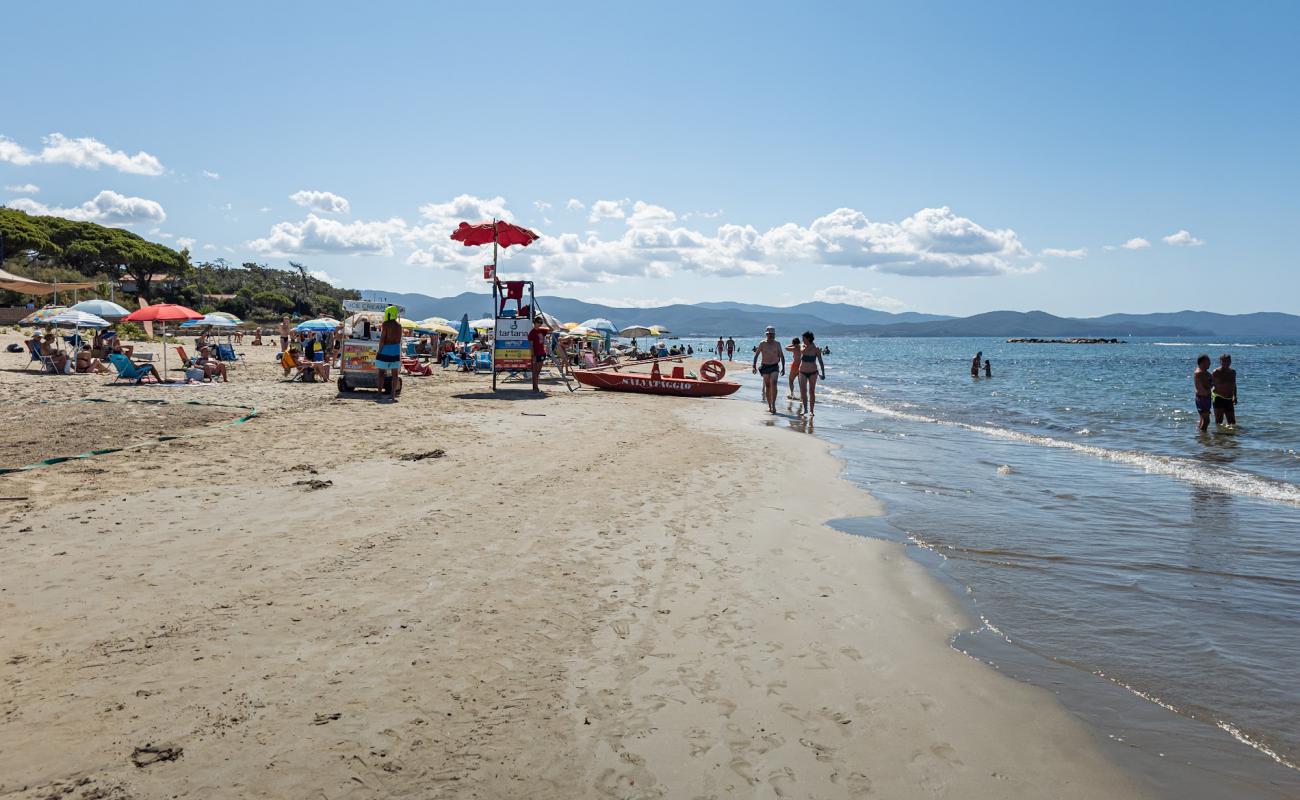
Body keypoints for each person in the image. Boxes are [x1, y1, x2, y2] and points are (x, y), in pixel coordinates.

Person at [752, 326, 786, 414]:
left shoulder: (777, 344)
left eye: (772, 334)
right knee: (767, 386)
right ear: (766, 335)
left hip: (774, 366)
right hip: (765, 366)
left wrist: (783, 368)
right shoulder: (762, 343)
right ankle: (769, 405)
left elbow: (782, 356)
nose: (770, 336)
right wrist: (754, 366)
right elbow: (756, 355)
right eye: (769, 334)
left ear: (774, 335)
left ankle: (774, 405)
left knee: (774, 383)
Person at [375, 306, 403, 402]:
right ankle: (393, 395)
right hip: (395, 349)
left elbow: (382, 339)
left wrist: (379, 351)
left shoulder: (385, 324)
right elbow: (399, 340)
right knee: (395, 375)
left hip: (386, 349)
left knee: (381, 373)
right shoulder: (399, 326)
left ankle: (379, 393)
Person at [797, 330, 826, 417]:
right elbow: (803, 352)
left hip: (813, 372)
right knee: (803, 391)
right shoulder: (802, 346)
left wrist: (823, 373)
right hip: (802, 372)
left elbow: (820, 361)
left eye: (804, 338)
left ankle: (811, 411)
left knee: (811, 391)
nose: (802, 340)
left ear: (808, 338)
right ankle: (805, 409)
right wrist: (811, 346)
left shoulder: (816, 349)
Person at [1211, 353, 1237, 427]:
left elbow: (1234, 385)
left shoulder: (1233, 372)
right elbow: (1210, 385)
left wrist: (1235, 396)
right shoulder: (1216, 372)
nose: (1226, 363)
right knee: (1219, 422)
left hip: (1229, 399)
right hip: (1218, 398)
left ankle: (1229, 438)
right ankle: (1218, 437)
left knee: (1232, 422)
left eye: (1228, 361)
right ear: (1220, 361)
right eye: (1224, 361)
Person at [527, 314, 551, 392]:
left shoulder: (542, 330)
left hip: (542, 353)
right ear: (535, 323)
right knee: (535, 371)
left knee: (538, 371)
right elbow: (531, 346)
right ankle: (535, 387)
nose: (540, 324)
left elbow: (551, 329)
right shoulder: (532, 333)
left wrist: (546, 322)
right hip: (536, 353)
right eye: (538, 322)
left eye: (541, 322)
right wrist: (533, 355)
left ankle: (536, 386)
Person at [1194, 353, 1214, 432]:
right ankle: (1204, 438)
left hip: (1206, 398)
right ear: (1202, 363)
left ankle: (1200, 436)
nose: (1210, 363)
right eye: (1208, 362)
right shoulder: (1200, 373)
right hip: (1202, 399)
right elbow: (1208, 385)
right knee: (1206, 420)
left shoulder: (1205, 372)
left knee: (1203, 419)